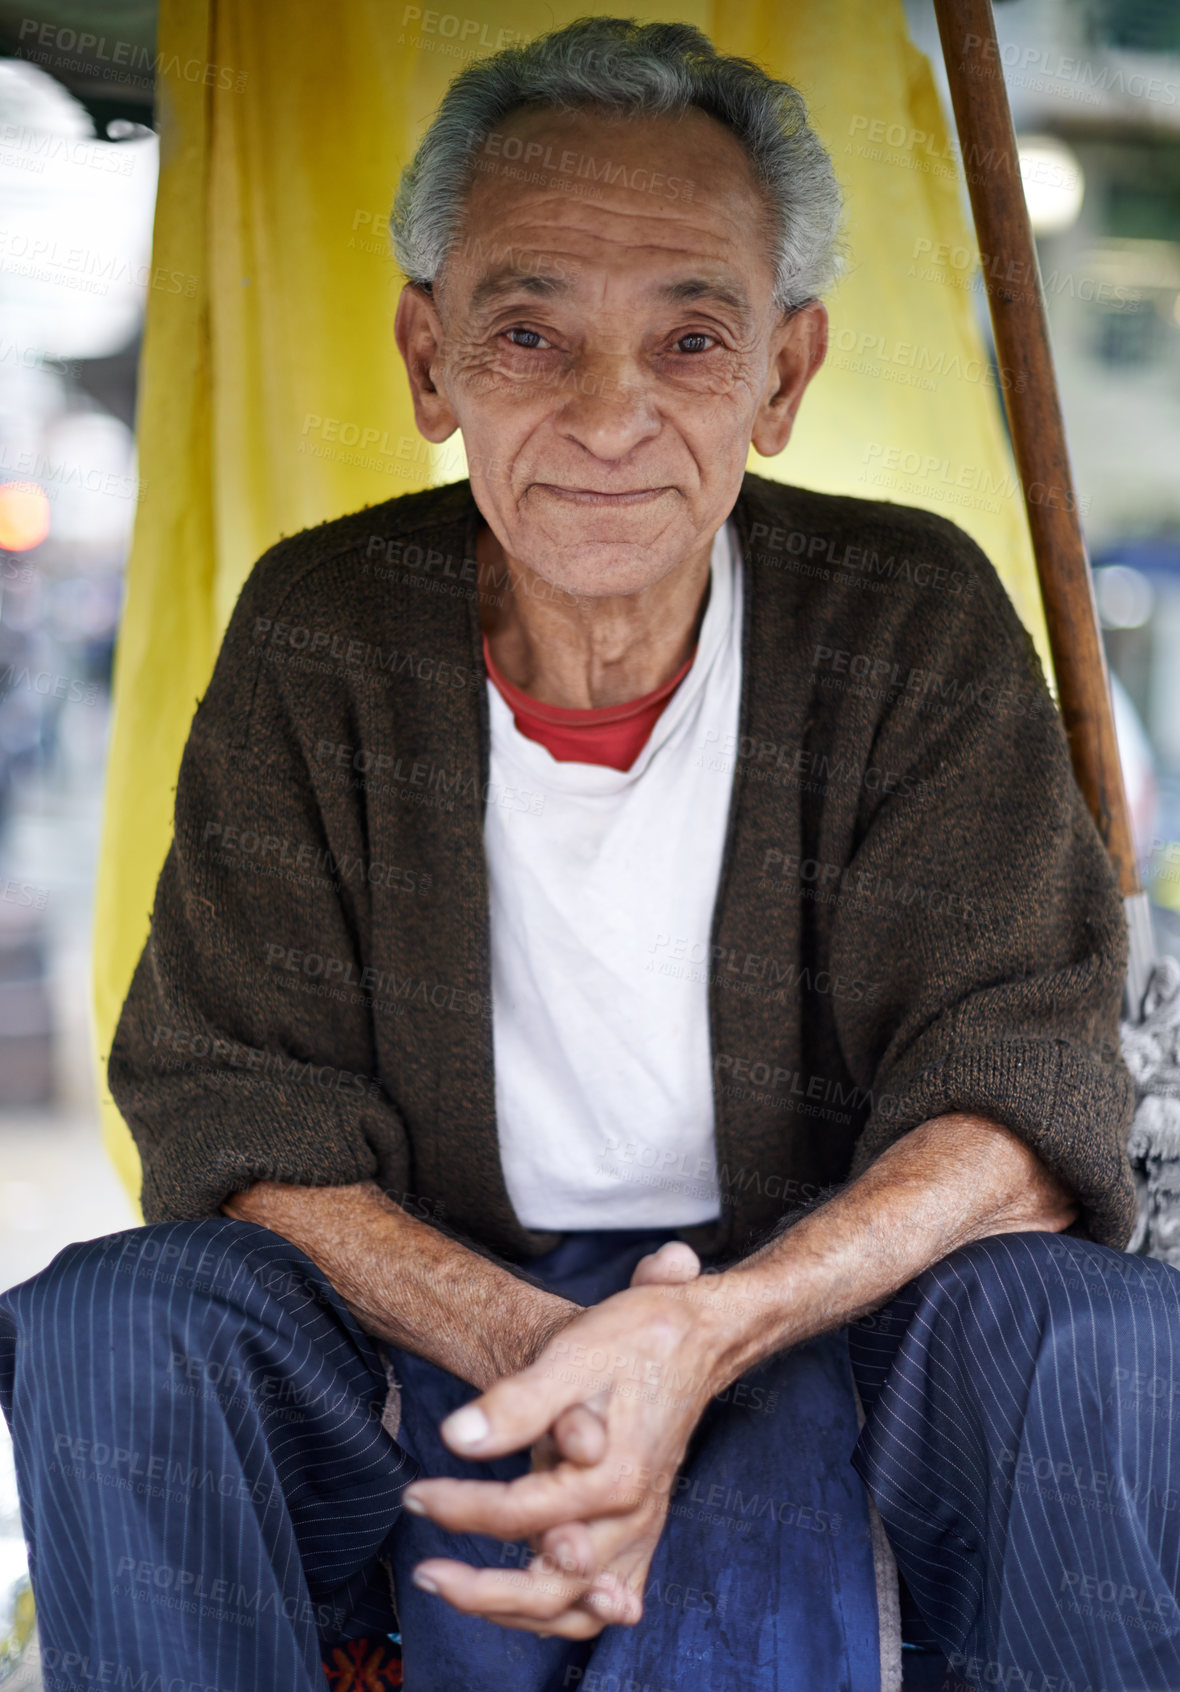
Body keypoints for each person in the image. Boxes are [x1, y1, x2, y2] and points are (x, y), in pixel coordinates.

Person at [3, 16, 1178, 1692]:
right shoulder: (325, 631)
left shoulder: (909, 618)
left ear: (782, 374)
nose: (609, 412)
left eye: (692, 337)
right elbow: (228, 1099)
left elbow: (1021, 1089)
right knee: (110, 1321)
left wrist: (705, 1333)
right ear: (432, 361)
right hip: (427, 1338)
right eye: (531, 329)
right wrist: (551, 1354)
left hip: (822, 1316)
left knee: (1103, 1345)